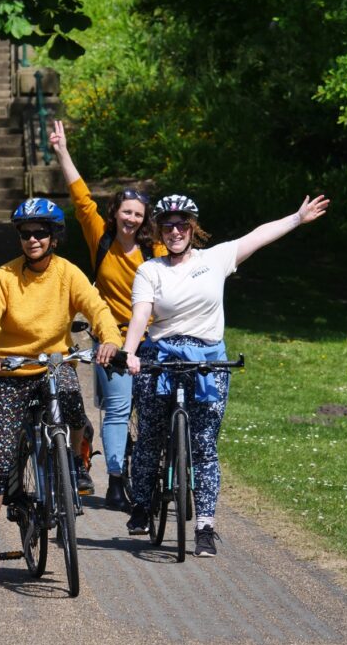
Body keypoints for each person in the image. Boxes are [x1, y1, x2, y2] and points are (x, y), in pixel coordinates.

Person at [121, 193, 330, 557]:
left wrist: (297, 218)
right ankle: (141, 504)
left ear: (192, 228)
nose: (175, 231)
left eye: (182, 224)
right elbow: (141, 314)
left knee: (203, 445)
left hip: (207, 360)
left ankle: (204, 527)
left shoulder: (215, 258)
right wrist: (131, 352)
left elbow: (258, 236)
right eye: (167, 225)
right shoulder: (150, 270)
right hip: (162, 356)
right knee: (150, 433)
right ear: (158, 230)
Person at [0, 198, 123, 584]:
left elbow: (98, 309)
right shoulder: (4, 276)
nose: (33, 239)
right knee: (0, 459)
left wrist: (109, 340)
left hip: (53, 366)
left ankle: (73, 461)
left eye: (41, 232)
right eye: (26, 233)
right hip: (11, 370)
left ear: (55, 237)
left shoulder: (68, 273)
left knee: (73, 405)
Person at [49, 120, 165, 508]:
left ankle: (158, 476)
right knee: (117, 409)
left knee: (154, 411)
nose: (131, 219)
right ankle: (116, 478)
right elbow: (81, 198)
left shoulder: (157, 249)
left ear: (145, 219)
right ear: (116, 213)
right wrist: (63, 152)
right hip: (111, 339)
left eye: (138, 215)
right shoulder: (101, 238)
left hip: (153, 341)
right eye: (126, 212)